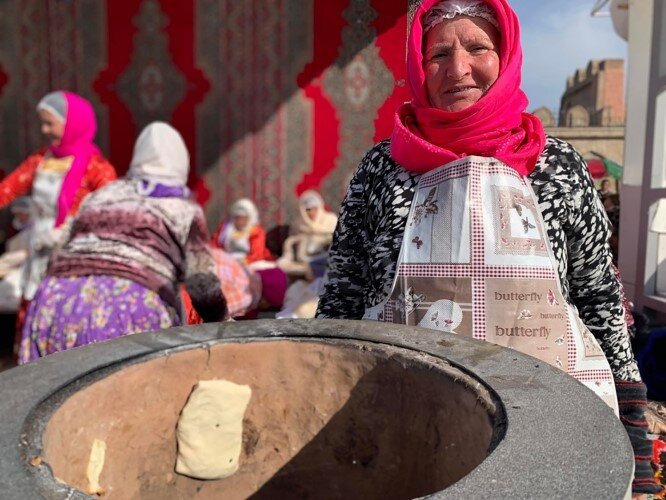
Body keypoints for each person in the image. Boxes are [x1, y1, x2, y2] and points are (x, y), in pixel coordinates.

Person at [316, 0, 660, 495]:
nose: (458, 69)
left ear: (506, 56)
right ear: (417, 66)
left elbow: (598, 297)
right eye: (438, 55)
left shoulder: (556, 165)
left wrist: (632, 429)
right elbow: (343, 300)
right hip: (406, 416)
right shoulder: (380, 169)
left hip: (545, 420)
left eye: (478, 47)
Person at [19, 122, 227, 363]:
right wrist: (223, 322)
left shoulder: (102, 195)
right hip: (128, 305)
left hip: (55, 301)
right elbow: (201, 284)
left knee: (52, 394)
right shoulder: (184, 209)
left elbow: (64, 245)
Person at [0, 91, 116, 334]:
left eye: (49, 123)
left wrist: (67, 230)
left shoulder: (96, 168)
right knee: (32, 311)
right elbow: (7, 190)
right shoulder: (41, 160)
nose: (44, 129)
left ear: (71, 123)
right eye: (42, 123)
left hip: (75, 255)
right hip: (39, 250)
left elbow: (110, 209)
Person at [277, 190, 338, 278]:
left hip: (325, 259)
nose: (312, 212)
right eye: (308, 209)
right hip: (302, 261)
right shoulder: (298, 224)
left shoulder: (330, 220)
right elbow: (291, 242)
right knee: (281, 265)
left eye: (315, 208)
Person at [212, 198, 274, 264]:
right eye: (237, 217)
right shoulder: (225, 228)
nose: (240, 220)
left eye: (243, 218)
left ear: (250, 217)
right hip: (226, 260)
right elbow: (214, 245)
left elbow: (256, 254)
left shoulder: (256, 231)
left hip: (249, 262)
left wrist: (241, 262)